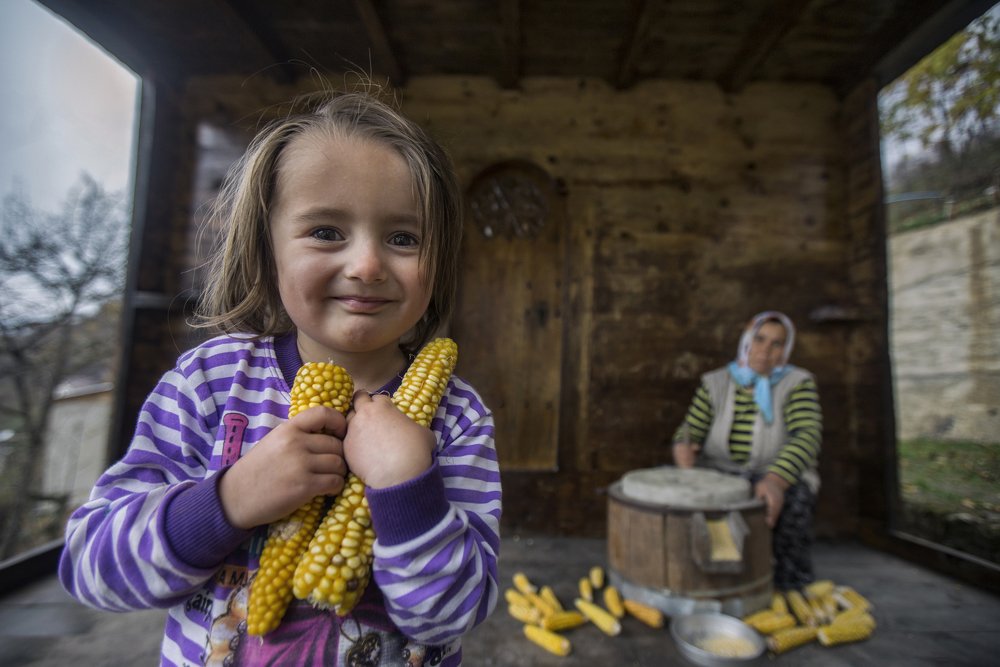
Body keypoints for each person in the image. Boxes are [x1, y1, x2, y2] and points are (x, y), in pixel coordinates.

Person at [58, 90, 501, 666]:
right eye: (325, 231)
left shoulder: (459, 417)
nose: (367, 265)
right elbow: (90, 566)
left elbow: (456, 614)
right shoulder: (211, 383)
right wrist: (229, 500)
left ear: (436, 263)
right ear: (267, 251)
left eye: (403, 238)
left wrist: (407, 489)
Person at [672, 310, 822, 591]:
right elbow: (690, 427)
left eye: (777, 343)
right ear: (745, 341)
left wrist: (776, 481)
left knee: (795, 502)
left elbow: (807, 436)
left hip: (774, 473)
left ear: (786, 350)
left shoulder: (797, 383)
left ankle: (789, 586)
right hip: (721, 471)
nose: (765, 350)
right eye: (760, 339)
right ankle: (700, 580)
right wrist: (683, 446)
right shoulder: (715, 383)